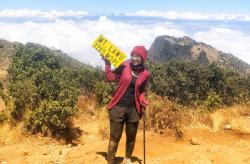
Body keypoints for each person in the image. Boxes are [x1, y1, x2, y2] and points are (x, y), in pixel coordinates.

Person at [103, 46, 150, 164]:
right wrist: (107, 63)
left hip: (134, 109)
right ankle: (110, 160)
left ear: (143, 58)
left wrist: (143, 99)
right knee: (115, 137)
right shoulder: (124, 65)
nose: (134, 58)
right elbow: (110, 78)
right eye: (132, 55)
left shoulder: (145, 74)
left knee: (131, 137)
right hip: (118, 107)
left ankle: (127, 159)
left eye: (137, 56)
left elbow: (142, 91)